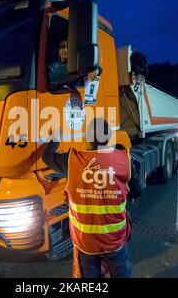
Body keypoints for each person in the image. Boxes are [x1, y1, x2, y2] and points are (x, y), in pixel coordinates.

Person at [42, 118, 139, 278]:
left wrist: (55, 138)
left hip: (86, 242)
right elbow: (137, 191)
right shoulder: (125, 160)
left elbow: (47, 156)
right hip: (115, 239)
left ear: (87, 138)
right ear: (109, 137)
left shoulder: (73, 161)